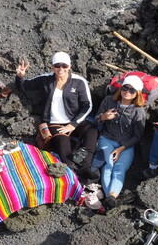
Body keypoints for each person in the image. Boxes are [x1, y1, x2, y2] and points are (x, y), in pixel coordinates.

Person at [15, 51, 98, 179]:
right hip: (54, 123)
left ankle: (85, 167)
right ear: (52, 67)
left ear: (69, 66)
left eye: (64, 66)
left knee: (91, 132)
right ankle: (72, 171)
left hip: (74, 120)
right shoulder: (45, 79)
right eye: (57, 65)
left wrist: (73, 124)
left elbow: (87, 105)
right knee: (62, 141)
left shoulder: (79, 82)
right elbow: (25, 86)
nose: (61, 69)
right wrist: (20, 76)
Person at [92, 75, 147, 209]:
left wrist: (121, 148)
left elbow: (138, 136)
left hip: (126, 145)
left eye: (132, 90)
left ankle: (110, 197)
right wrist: (103, 117)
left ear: (137, 93)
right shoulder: (108, 101)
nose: (127, 92)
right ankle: (110, 198)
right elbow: (95, 121)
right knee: (108, 164)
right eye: (125, 88)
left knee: (120, 169)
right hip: (107, 139)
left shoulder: (139, 111)